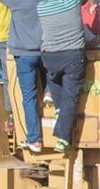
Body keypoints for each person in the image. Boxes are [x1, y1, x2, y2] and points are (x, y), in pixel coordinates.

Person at [38, 0, 87, 152]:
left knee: (53, 78)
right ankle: (63, 138)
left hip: (50, 57)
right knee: (71, 95)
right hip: (72, 56)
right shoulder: (73, 3)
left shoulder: (41, 8)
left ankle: (59, 109)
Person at [2, 0, 44, 152]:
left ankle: (34, 139)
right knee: (53, 87)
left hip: (24, 54)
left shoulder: (16, 2)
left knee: (28, 97)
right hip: (44, 50)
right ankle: (48, 93)